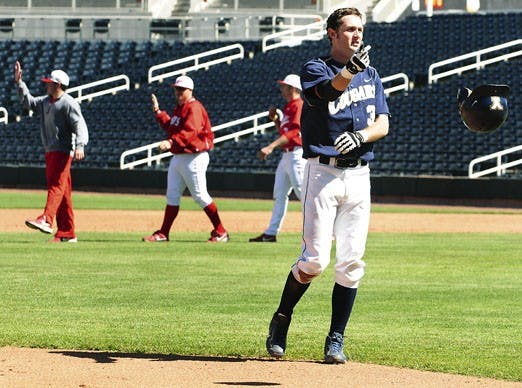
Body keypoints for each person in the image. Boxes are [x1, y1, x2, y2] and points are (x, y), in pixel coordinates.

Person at [265, 7, 390, 364]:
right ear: (332, 33)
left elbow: (383, 122)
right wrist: (350, 71)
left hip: (359, 176)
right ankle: (282, 318)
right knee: (315, 261)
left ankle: (336, 339)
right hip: (323, 173)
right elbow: (323, 94)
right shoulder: (314, 67)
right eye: (349, 29)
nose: (357, 35)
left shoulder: (373, 75)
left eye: (360, 29)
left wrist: (362, 135)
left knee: (351, 263)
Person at [143, 75, 229, 243]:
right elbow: (171, 127)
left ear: (190, 90)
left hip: (194, 156)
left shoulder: (194, 107)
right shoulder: (180, 108)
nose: (178, 92)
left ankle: (220, 231)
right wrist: (159, 113)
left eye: (181, 89)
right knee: (172, 195)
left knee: (200, 196)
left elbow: (191, 132)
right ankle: (164, 233)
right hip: (179, 156)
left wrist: (171, 141)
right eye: (176, 89)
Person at [14, 61, 89, 243]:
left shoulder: (68, 103)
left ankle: (47, 219)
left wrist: (80, 145)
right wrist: (19, 83)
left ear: (58, 85)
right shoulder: (46, 101)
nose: (46, 84)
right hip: (50, 150)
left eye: (49, 82)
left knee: (56, 185)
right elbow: (28, 102)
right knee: (63, 192)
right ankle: (67, 232)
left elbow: (80, 125)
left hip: (63, 151)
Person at [249, 74, 305, 243]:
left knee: (304, 195)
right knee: (279, 194)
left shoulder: (299, 106)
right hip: (287, 155)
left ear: (294, 89)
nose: (282, 89)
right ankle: (271, 233)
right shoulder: (288, 107)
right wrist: (276, 121)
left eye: (285, 86)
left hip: (297, 154)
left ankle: (324, 231)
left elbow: (294, 133)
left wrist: (271, 146)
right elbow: (284, 131)